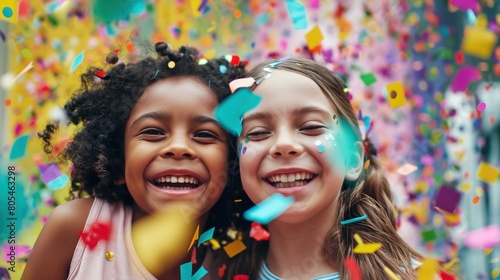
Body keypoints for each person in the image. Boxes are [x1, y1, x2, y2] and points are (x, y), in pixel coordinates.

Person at [22, 42, 245, 280]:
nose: (179, 148)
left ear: (232, 161)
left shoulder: (235, 262)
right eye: (154, 132)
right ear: (117, 158)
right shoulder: (74, 227)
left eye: (204, 134)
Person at [224, 58, 429, 279]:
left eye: (312, 127)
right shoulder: (218, 272)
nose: (283, 145)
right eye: (257, 133)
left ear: (352, 160)